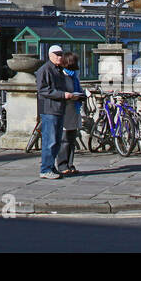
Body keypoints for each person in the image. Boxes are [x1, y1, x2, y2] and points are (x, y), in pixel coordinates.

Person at [36, 45, 79, 180]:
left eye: (61, 54)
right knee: (50, 141)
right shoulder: (45, 70)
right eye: (57, 55)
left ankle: (51, 166)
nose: (60, 57)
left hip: (59, 109)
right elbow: (43, 90)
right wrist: (62, 95)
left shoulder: (59, 70)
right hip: (50, 110)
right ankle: (45, 169)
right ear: (50, 55)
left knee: (56, 141)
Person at [54, 51, 84, 177]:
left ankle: (70, 164)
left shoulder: (74, 76)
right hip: (65, 110)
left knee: (71, 139)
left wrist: (81, 95)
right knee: (64, 139)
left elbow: (78, 89)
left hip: (74, 109)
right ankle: (62, 165)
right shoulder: (61, 76)